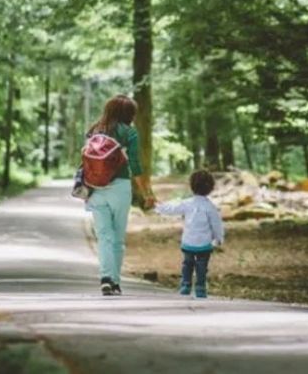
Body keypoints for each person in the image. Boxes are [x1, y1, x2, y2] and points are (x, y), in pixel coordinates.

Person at [85, 94, 153, 296]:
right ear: (128, 114)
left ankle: (105, 278)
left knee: (103, 235)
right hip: (120, 188)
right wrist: (146, 192)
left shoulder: (94, 130)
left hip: (95, 188)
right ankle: (114, 281)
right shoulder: (129, 132)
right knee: (117, 237)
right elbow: (135, 165)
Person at [155, 170, 225, 299]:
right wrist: (219, 238)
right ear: (210, 188)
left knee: (187, 264)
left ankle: (186, 285)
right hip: (204, 244)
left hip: (188, 243)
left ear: (192, 186)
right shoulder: (210, 207)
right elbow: (217, 224)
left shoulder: (187, 203)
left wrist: (157, 206)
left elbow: (172, 209)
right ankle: (200, 288)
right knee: (202, 267)